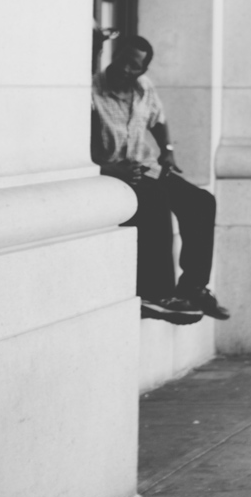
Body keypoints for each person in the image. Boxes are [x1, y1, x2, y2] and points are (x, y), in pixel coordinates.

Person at [92, 33, 230, 324]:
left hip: (147, 167)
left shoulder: (143, 88)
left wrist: (167, 151)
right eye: (123, 61)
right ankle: (157, 294)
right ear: (113, 57)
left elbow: (159, 119)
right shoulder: (93, 92)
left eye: (135, 66)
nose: (126, 70)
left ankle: (193, 287)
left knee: (202, 202)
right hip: (116, 175)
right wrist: (109, 169)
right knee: (156, 200)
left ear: (143, 70)